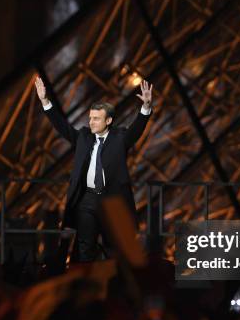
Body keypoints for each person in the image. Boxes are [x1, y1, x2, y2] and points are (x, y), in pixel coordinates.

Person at [34, 76, 153, 262]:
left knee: (112, 249)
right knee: (85, 247)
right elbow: (62, 127)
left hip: (112, 200)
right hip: (87, 199)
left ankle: (111, 287)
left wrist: (145, 108)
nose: (91, 122)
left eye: (96, 119)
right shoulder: (83, 137)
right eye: (90, 118)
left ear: (109, 121)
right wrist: (45, 101)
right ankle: (87, 286)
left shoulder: (120, 138)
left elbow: (136, 130)